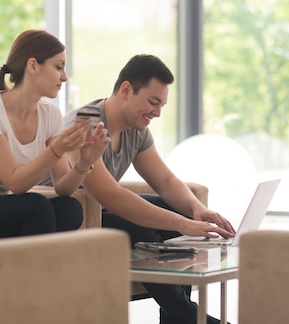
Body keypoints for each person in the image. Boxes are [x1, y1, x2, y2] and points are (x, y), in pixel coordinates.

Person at [60, 54, 235, 324]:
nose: (157, 112)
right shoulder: (86, 123)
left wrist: (197, 211)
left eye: (162, 104)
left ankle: (176, 316)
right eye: (153, 102)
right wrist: (183, 222)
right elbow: (108, 195)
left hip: (99, 212)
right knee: (137, 228)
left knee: (175, 211)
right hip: (72, 218)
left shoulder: (136, 129)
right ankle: (186, 315)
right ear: (126, 89)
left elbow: (165, 181)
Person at [0, 29, 110, 241]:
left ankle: (23, 264)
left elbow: (62, 186)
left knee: (70, 208)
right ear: (33, 66)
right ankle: (35, 272)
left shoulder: (49, 113)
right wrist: (55, 149)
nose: (64, 77)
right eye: (58, 67)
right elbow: (15, 183)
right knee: (35, 206)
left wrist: (84, 163)